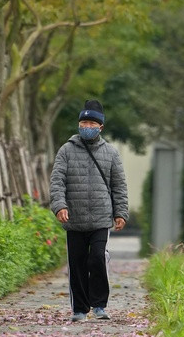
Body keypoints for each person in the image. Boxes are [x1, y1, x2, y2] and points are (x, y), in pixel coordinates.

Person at [50, 99, 129, 323]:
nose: (87, 126)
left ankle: (99, 304)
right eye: (83, 122)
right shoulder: (66, 150)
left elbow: (119, 186)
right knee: (77, 263)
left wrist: (120, 212)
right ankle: (80, 309)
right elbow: (57, 181)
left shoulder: (111, 153)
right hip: (74, 218)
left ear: (100, 127)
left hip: (100, 218)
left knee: (96, 258)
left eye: (91, 123)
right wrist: (60, 205)